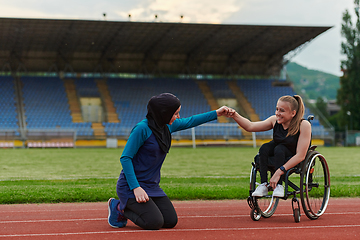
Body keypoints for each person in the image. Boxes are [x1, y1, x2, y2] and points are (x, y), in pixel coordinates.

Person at [107, 93, 234, 230]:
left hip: (151, 186)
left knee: (170, 221)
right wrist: (135, 188)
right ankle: (119, 207)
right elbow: (125, 158)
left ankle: (135, 206)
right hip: (131, 187)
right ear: (164, 113)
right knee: (154, 222)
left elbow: (190, 121)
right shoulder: (142, 129)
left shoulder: (166, 126)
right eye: (175, 113)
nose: (178, 117)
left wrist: (217, 113)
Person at [230, 95, 311, 197]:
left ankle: (279, 186)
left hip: (292, 155)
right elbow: (250, 126)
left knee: (279, 149)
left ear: (293, 113)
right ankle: (263, 184)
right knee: (265, 148)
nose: (277, 113)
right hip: (278, 152)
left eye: (282, 111)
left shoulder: (304, 125)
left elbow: (300, 155)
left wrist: (278, 172)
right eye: (276, 109)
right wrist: (234, 115)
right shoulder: (274, 120)